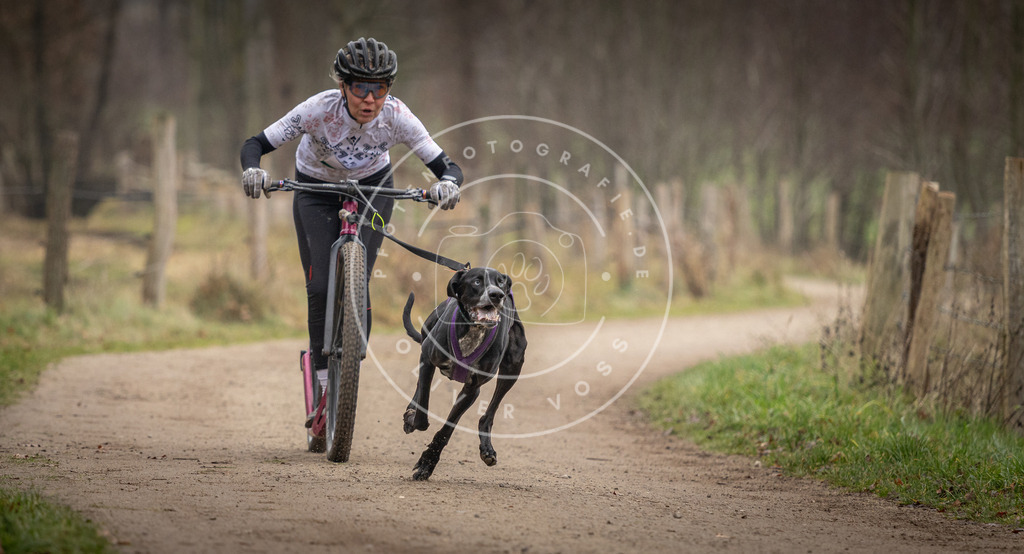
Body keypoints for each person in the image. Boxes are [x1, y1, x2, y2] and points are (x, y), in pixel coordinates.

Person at [239, 37, 463, 425]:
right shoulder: (317, 110)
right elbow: (256, 143)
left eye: (380, 88)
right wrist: (253, 170)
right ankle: (323, 378)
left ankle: (351, 355)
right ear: (343, 86)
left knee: (358, 275)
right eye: (360, 87)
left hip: (372, 188)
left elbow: (446, 165)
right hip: (315, 190)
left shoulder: (398, 116)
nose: (370, 98)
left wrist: (447, 184)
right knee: (321, 286)